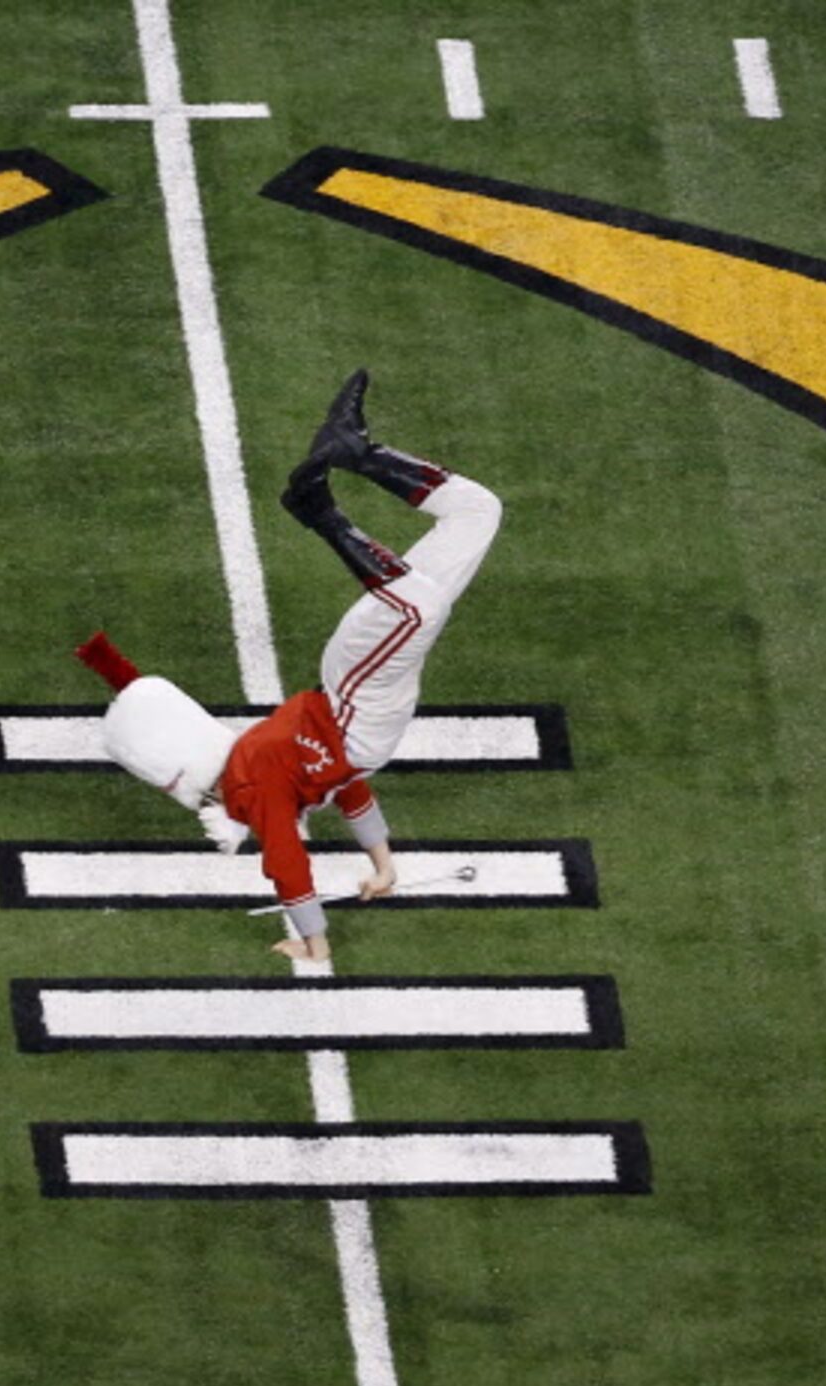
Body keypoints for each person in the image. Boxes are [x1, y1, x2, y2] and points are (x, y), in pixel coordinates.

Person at [75, 370, 504, 961]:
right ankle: (353, 456)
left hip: (357, 700)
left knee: (418, 609)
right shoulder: (265, 782)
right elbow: (342, 796)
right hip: (358, 705)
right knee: (477, 513)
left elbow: (291, 858)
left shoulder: (255, 774)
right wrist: (379, 867)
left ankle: (326, 500)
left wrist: (318, 941)